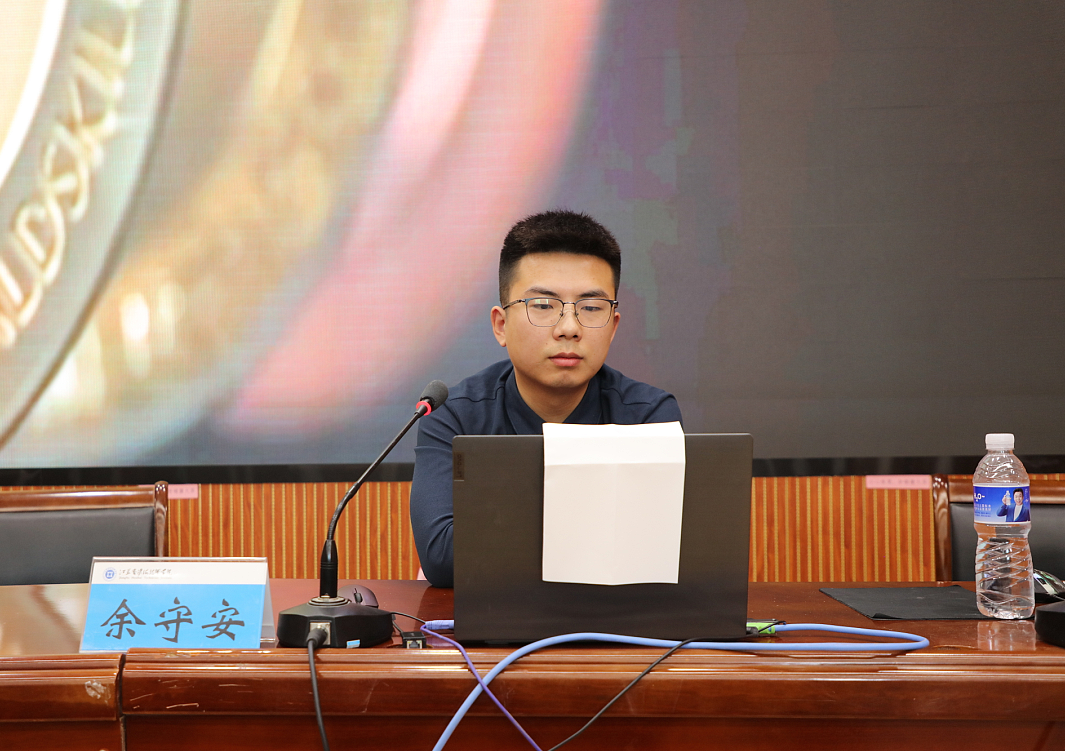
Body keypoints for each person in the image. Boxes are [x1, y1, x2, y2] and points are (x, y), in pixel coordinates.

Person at [410, 210, 682, 587]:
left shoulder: (648, 416)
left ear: (613, 327)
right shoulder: (453, 417)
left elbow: (657, 551)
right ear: (501, 325)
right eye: (542, 305)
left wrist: (497, 530)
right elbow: (443, 558)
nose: (569, 328)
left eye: (591, 308)